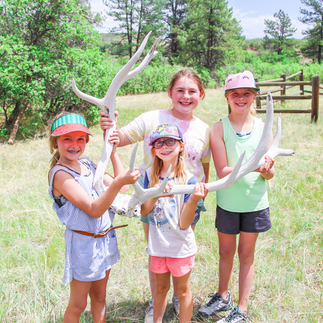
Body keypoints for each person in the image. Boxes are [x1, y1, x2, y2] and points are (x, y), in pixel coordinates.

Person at [100, 69, 211, 322]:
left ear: (201, 95)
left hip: (186, 197)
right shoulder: (151, 118)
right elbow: (118, 139)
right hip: (151, 192)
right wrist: (108, 126)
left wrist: (198, 194)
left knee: (179, 245)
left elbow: (205, 165)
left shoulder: (204, 129)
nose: (185, 96)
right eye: (179, 90)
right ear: (170, 93)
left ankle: (178, 296)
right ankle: (157, 298)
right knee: (157, 249)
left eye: (192, 91)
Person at [48, 112, 141, 323]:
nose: (74, 144)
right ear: (55, 142)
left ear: (87, 141)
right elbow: (94, 209)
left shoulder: (88, 165)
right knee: (78, 304)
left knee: (100, 297)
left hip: (104, 241)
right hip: (83, 246)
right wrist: (118, 183)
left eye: (80, 138)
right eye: (67, 139)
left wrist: (114, 152)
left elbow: (123, 186)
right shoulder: (60, 174)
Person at [198, 70, 275, 322]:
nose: (241, 98)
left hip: (254, 202)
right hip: (228, 202)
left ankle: (241, 308)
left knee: (246, 254)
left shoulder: (264, 128)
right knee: (225, 252)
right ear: (227, 98)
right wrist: (257, 164)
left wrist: (268, 168)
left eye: (246, 94)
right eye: (235, 94)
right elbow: (223, 172)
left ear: (254, 97)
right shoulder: (219, 128)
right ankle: (222, 295)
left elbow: (269, 174)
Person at [141, 124, 209, 323]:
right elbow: (144, 211)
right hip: (158, 247)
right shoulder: (149, 177)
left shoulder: (189, 181)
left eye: (170, 141)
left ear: (181, 146)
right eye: (159, 143)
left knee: (182, 291)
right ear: (154, 150)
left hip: (180, 249)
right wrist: (155, 192)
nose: (165, 146)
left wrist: (194, 199)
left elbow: (184, 223)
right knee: (160, 289)